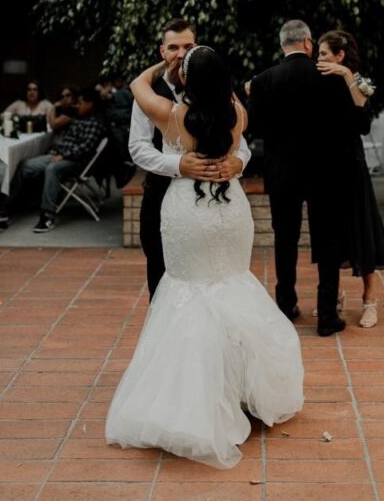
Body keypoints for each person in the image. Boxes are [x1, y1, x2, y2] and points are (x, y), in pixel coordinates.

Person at [106, 46, 303, 469]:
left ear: (187, 79)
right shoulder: (238, 114)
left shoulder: (171, 115)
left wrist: (165, 65)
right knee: (232, 285)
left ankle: (196, 401)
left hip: (188, 212)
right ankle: (241, 390)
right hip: (230, 212)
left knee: (188, 292)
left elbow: (137, 84)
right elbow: (242, 147)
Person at [247, 19, 361, 336]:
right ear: (308, 43)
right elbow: (350, 124)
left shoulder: (264, 80)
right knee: (328, 241)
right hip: (325, 171)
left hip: (281, 172)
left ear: (283, 44)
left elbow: (253, 128)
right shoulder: (331, 77)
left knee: (285, 239)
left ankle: (286, 305)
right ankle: (327, 315)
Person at [129, 18, 250, 300]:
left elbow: (241, 143)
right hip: (164, 195)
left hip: (219, 200)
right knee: (162, 275)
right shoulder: (150, 95)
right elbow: (138, 148)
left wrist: (240, 162)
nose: (181, 54)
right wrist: (178, 165)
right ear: (162, 51)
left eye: (188, 47)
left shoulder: (219, 95)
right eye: (173, 48)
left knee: (219, 276)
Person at [316, 30, 384, 329]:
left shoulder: (357, 82)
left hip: (351, 165)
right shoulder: (318, 81)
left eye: (324, 54)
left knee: (362, 229)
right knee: (330, 232)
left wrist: (348, 76)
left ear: (340, 56)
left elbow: (363, 124)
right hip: (325, 166)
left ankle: (369, 298)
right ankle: (334, 295)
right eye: (318, 53)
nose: (319, 59)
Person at [9, 86, 106, 232]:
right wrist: (58, 153)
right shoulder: (78, 116)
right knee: (25, 165)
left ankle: (47, 216)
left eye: (80, 103)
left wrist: (63, 156)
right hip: (59, 155)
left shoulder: (96, 122)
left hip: (75, 162)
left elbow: (86, 148)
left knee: (52, 169)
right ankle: (9, 205)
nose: (77, 105)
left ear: (90, 104)